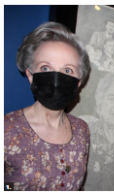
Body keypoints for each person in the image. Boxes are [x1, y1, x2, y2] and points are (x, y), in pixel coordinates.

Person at [4, 22, 91, 190]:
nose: (56, 79)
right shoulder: (6, 130)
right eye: (45, 67)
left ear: (78, 82)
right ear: (30, 75)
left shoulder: (82, 130)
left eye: (67, 71)